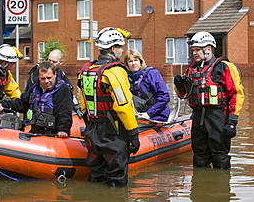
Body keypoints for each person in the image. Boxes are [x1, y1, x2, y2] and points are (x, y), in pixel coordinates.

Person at [77, 27, 140, 187]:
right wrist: (133, 133)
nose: (121, 51)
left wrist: (90, 123)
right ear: (113, 48)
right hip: (113, 132)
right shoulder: (115, 71)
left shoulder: (87, 70)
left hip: (92, 128)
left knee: (96, 173)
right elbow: (123, 106)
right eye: (120, 48)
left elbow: (84, 103)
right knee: (116, 177)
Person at [174, 31, 245, 169]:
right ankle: (201, 185)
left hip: (217, 115)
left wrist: (232, 121)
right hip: (198, 115)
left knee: (219, 155)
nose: (194, 53)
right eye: (193, 50)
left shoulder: (224, 67)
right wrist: (179, 85)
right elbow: (184, 94)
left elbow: (237, 94)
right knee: (199, 155)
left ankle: (221, 186)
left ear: (208, 49)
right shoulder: (192, 68)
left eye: (197, 50)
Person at [0, 61, 73, 137]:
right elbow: (22, 104)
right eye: (43, 78)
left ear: (55, 74)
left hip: (52, 133)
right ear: (38, 77)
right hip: (36, 131)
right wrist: (3, 105)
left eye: (49, 78)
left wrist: (63, 130)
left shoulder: (63, 90)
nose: (46, 81)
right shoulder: (35, 88)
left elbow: (65, 112)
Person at [24, 49, 83, 118]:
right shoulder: (38, 72)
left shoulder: (61, 74)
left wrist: (76, 108)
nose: (51, 63)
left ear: (60, 62)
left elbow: (69, 92)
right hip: (35, 110)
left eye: (54, 62)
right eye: (49, 60)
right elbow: (31, 93)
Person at [124, 49, 171, 122]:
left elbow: (164, 96)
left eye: (136, 60)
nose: (134, 63)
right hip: (139, 114)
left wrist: (149, 114)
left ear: (140, 61)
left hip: (157, 115)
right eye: (130, 61)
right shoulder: (126, 78)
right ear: (127, 64)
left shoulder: (152, 73)